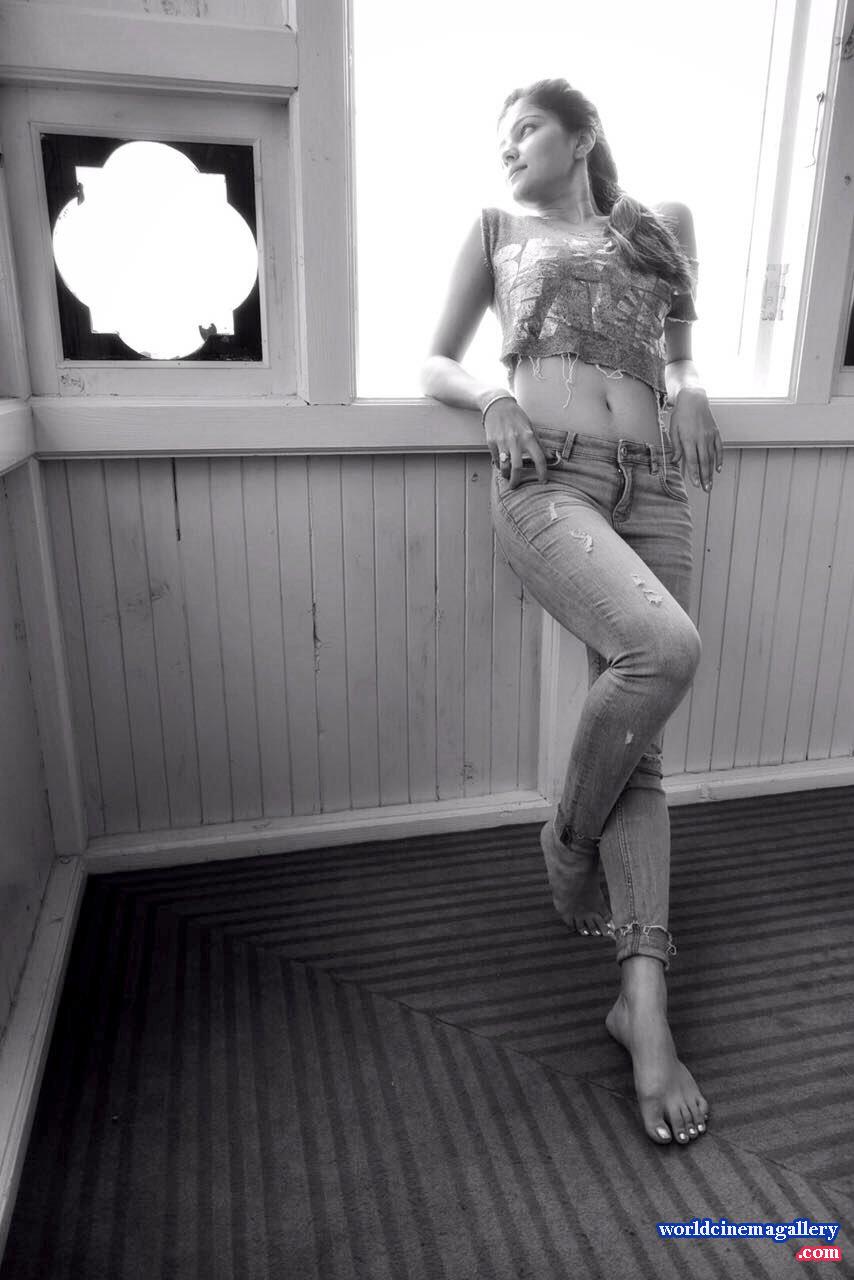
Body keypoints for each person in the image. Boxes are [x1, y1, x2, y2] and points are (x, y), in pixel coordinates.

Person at [421, 78, 722, 1148]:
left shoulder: (658, 223)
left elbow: (677, 347)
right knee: (663, 650)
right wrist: (494, 397)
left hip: (656, 485)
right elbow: (435, 357)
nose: (508, 148)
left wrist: (690, 383)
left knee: (642, 747)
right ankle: (568, 840)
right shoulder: (495, 229)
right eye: (500, 137)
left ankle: (641, 1004)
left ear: (581, 133)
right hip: (545, 480)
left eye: (526, 129)